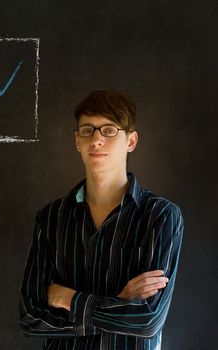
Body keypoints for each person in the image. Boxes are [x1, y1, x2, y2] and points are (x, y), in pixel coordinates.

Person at [18, 90, 184, 349]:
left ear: (131, 141)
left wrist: (69, 299)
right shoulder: (50, 218)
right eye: (87, 130)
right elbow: (30, 318)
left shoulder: (160, 216)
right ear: (77, 141)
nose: (96, 139)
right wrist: (119, 301)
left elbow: (148, 320)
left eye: (109, 130)